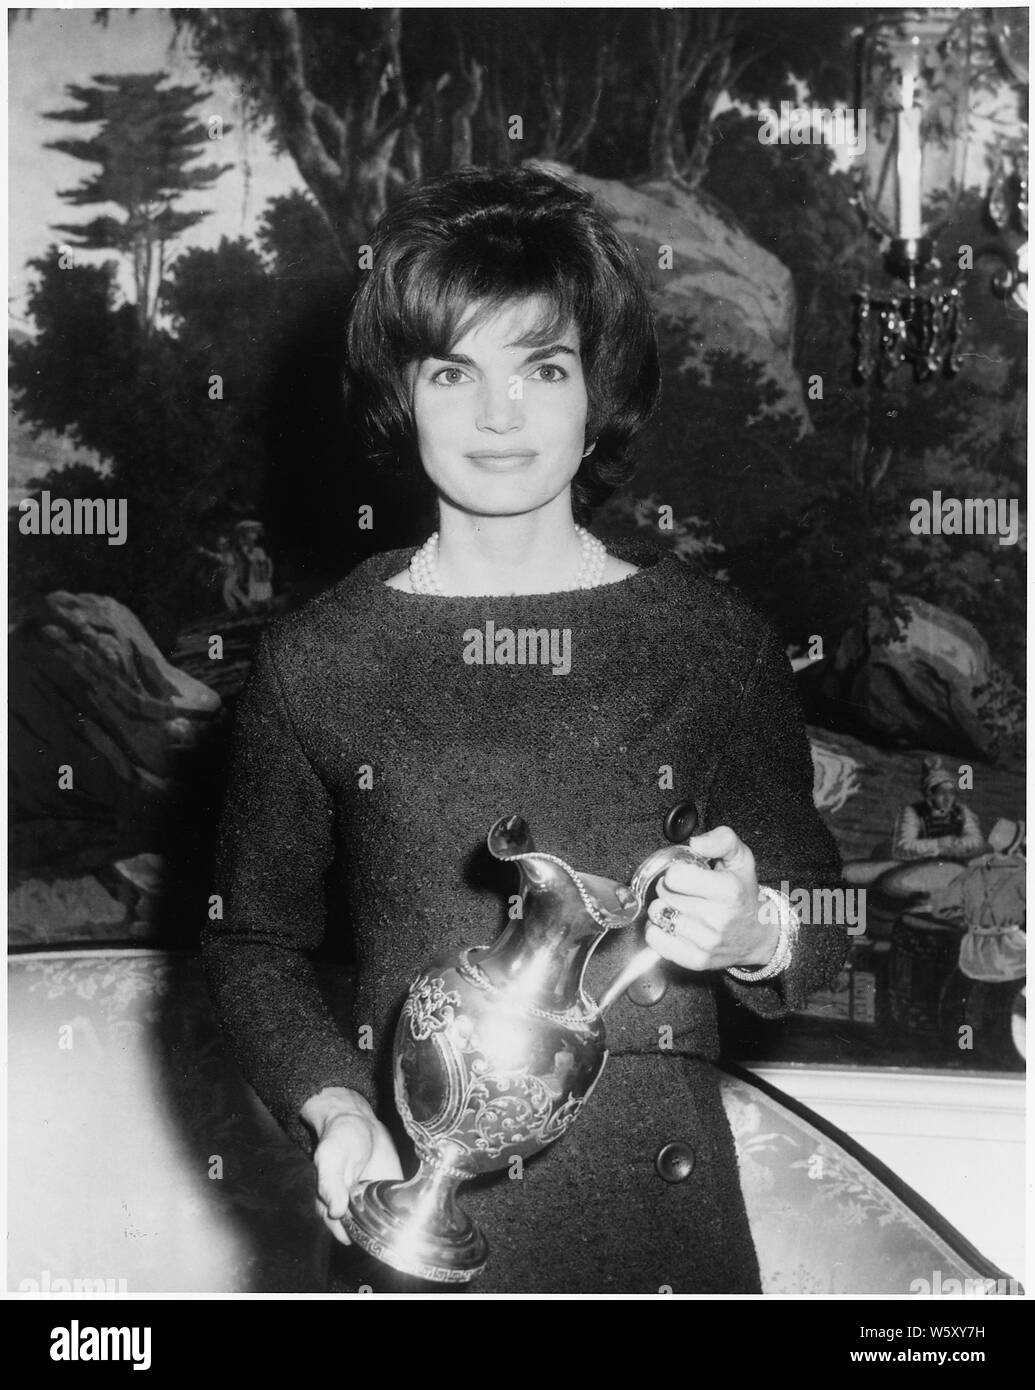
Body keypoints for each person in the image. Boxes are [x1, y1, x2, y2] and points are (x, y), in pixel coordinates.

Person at [203, 165, 845, 1295]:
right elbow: (250, 942)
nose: (500, 415)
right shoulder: (317, 660)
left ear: (595, 392)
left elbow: (825, 916)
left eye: (542, 367)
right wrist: (337, 1107)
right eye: (455, 370)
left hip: (662, 1238)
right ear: (406, 396)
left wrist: (757, 927)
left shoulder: (712, 642)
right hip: (419, 1222)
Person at [892, 758, 984, 862]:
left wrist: (958, 843)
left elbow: (977, 840)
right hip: (922, 866)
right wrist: (937, 844)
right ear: (930, 794)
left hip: (954, 864)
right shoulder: (913, 812)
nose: (947, 798)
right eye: (942, 793)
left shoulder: (961, 811)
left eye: (951, 793)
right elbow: (902, 847)